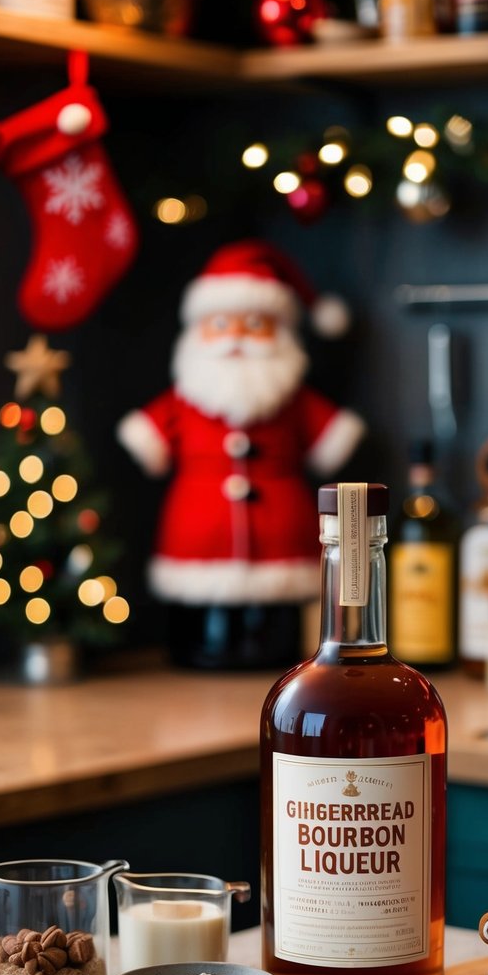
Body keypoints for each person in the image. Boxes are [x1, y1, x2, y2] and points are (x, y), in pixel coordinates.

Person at [117, 238, 365, 668]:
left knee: (279, 633)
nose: (235, 337)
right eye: (221, 323)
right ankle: (199, 644)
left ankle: (270, 644)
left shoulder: (294, 399)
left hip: (282, 536)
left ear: (281, 331)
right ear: (197, 330)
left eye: (253, 323)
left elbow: (332, 445)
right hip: (195, 535)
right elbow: (148, 442)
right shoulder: (184, 397)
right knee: (195, 629)